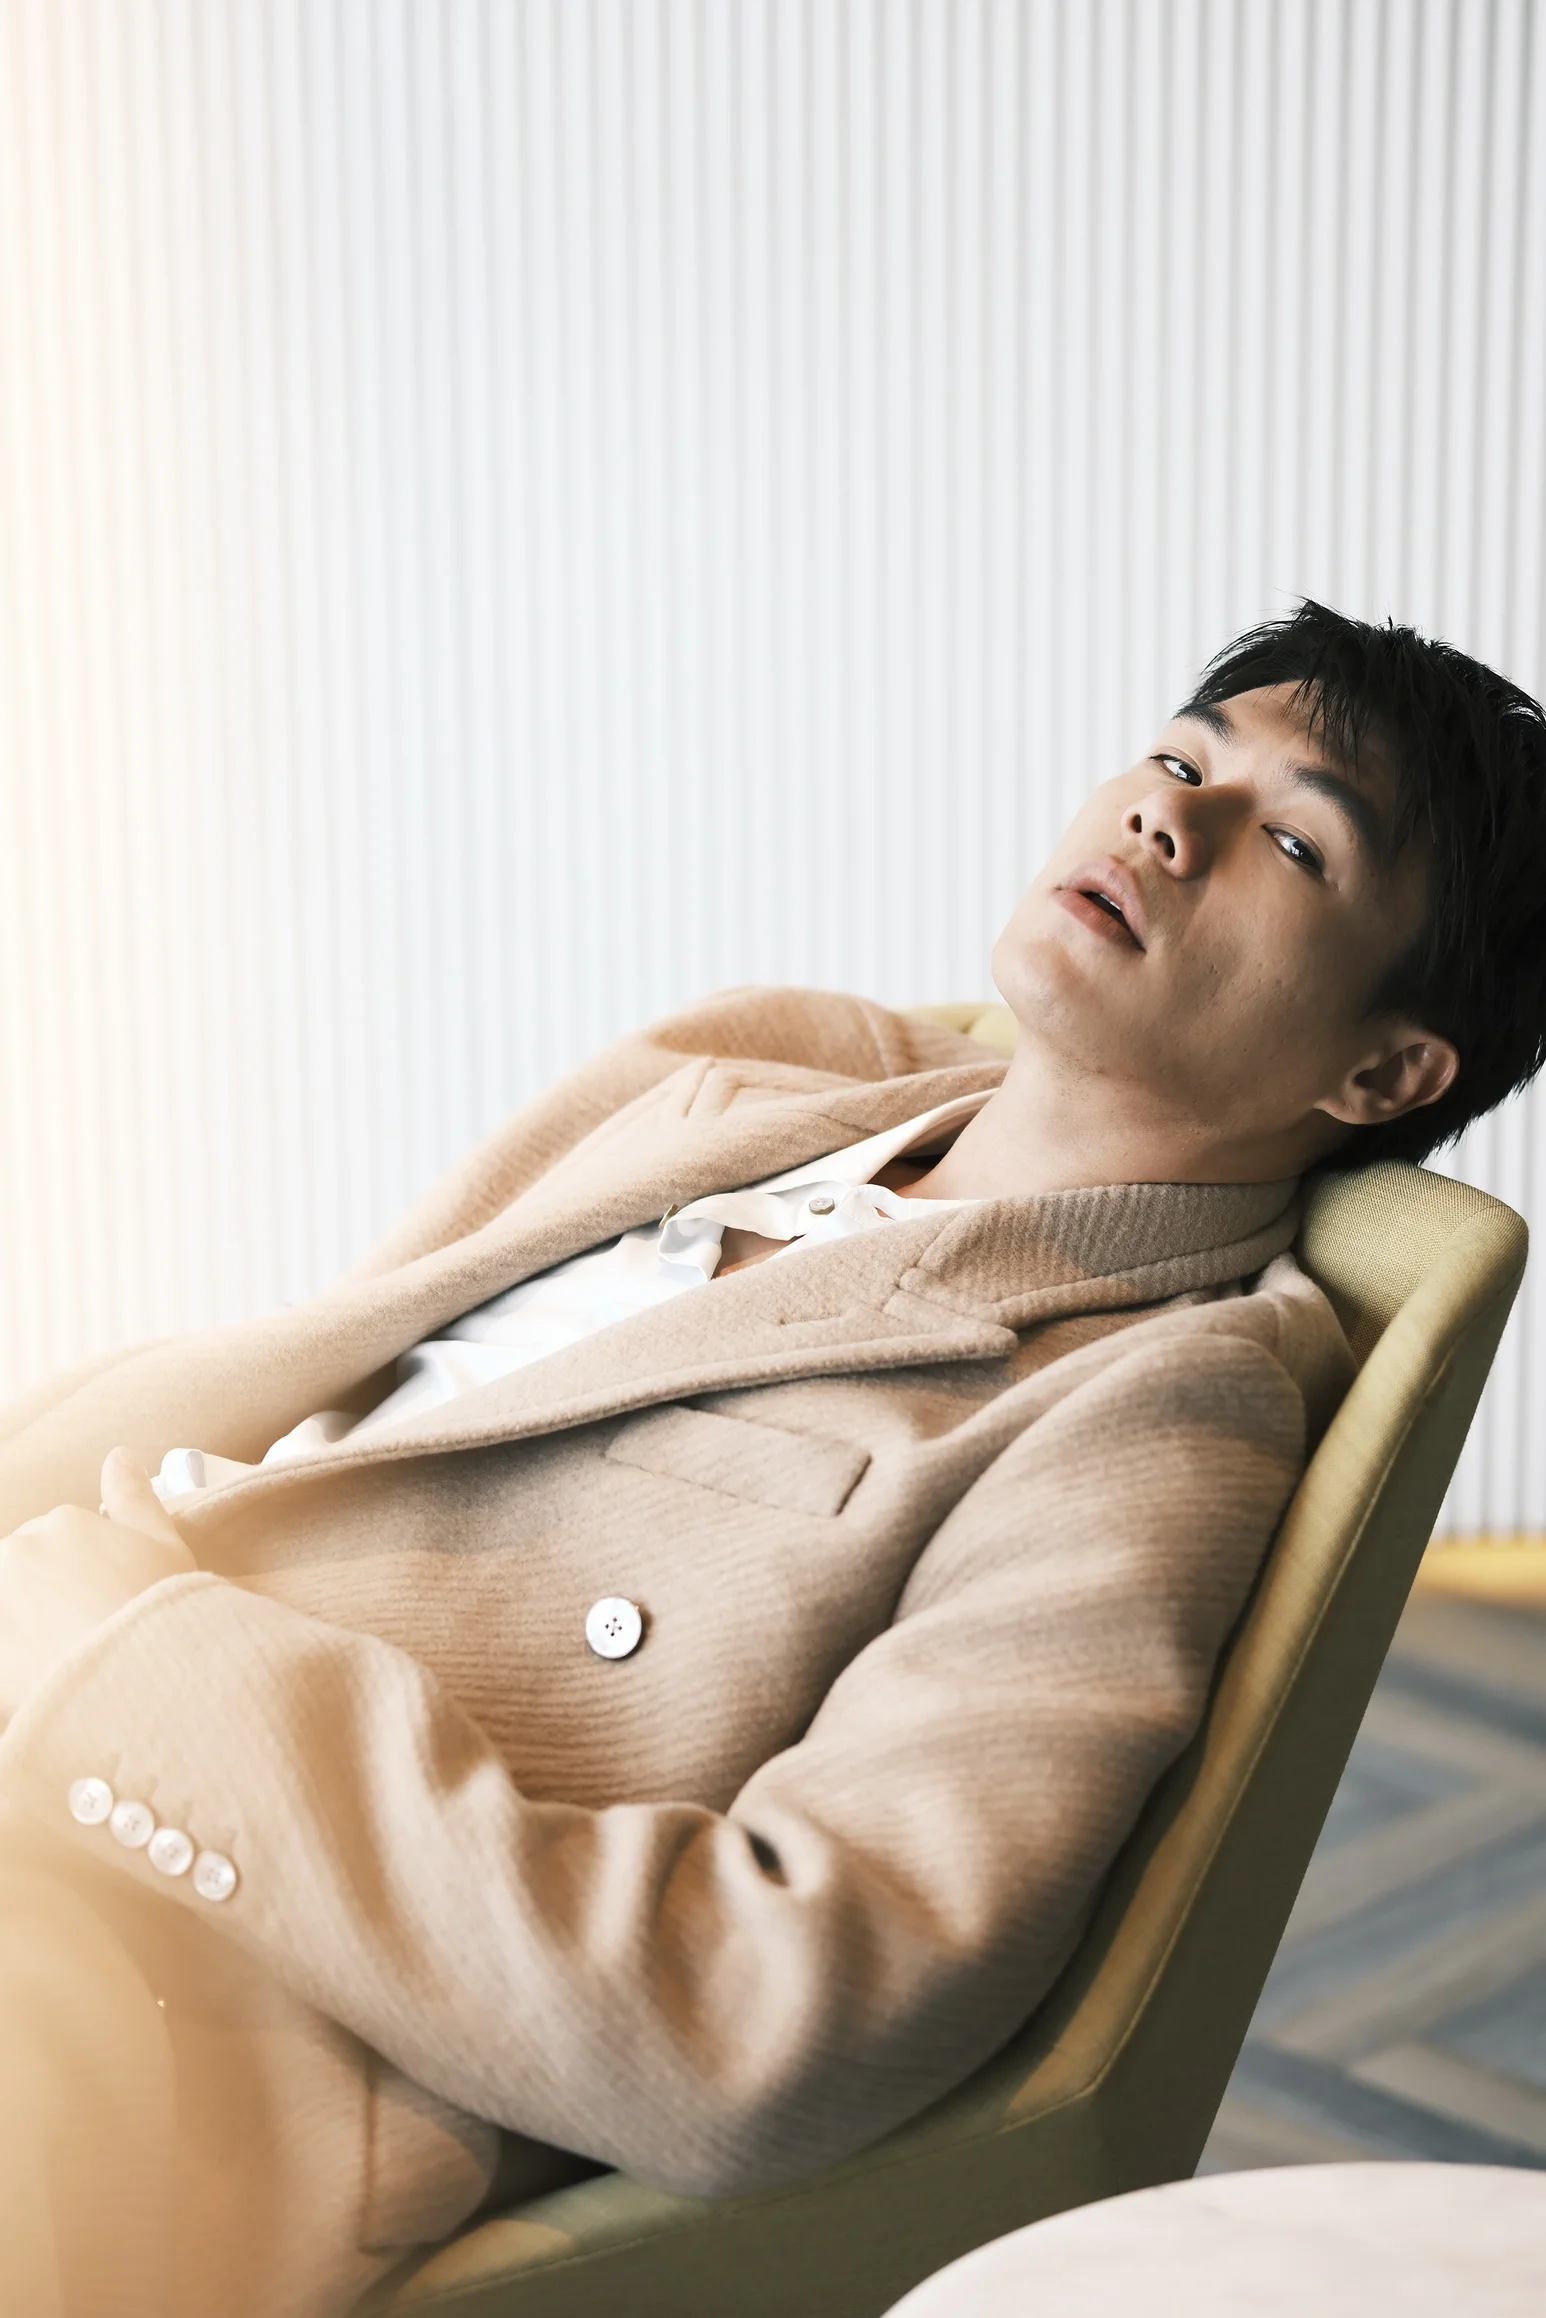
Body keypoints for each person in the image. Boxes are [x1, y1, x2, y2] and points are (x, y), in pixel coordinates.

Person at [2, 599, 1543, 2317]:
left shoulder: (1154, 1406)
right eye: (1181, 759)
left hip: (156, 1972)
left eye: (1294, 841)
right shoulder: (755, 1072)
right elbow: (328, 1405)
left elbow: (753, 2024)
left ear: (1381, 1069)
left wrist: (135, 1672)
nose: (1165, 817)